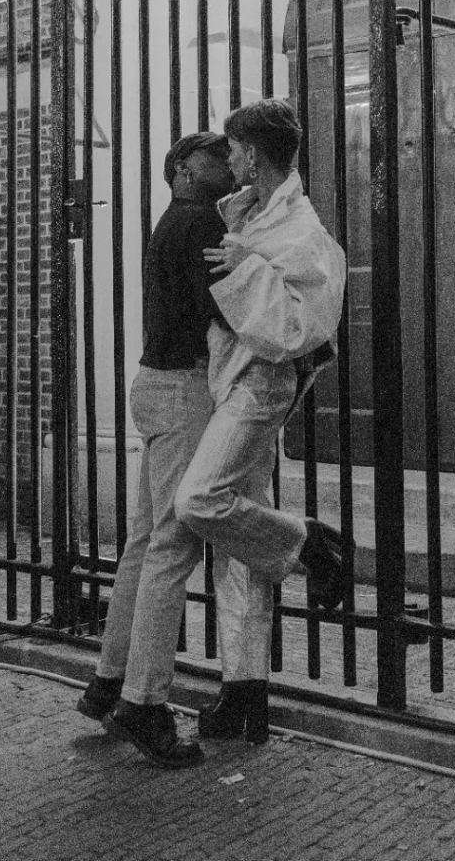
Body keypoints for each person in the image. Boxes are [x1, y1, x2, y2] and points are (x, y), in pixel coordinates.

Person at [174, 98, 348, 746]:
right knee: (239, 550)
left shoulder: (300, 229)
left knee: (199, 500)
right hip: (232, 377)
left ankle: (309, 544)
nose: (229, 159)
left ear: (254, 152)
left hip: (260, 385)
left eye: (236, 149)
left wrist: (245, 268)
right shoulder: (254, 211)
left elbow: (303, 327)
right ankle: (245, 694)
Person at [76, 131, 234, 769]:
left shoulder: (177, 219)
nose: (227, 164)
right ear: (183, 170)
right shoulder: (197, 222)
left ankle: (109, 680)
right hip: (183, 391)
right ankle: (144, 702)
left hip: (153, 387)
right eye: (214, 157)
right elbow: (220, 312)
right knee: (174, 544)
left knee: (144, 542)